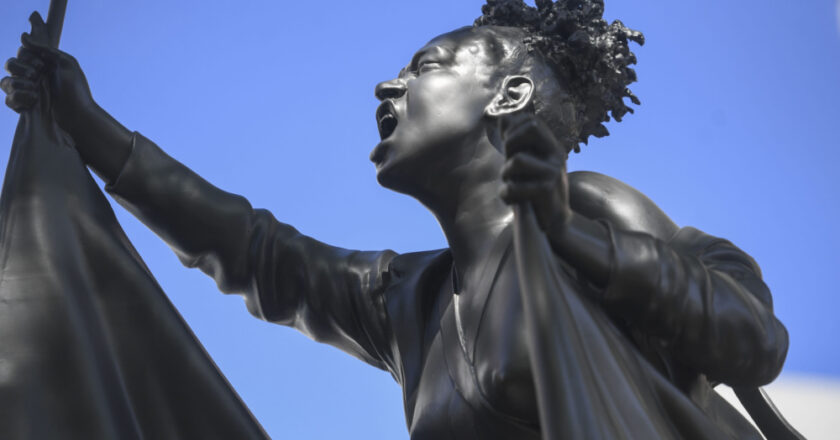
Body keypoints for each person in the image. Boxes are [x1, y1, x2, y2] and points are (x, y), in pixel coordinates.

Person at [2, 0, 789, 438]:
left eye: (426, 67)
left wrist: (570, 234)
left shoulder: (592, 204)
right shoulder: (406, 302)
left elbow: (753, 336)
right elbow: (253, 249)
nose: (389, 86)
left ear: (506, 97)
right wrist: (87, 127)